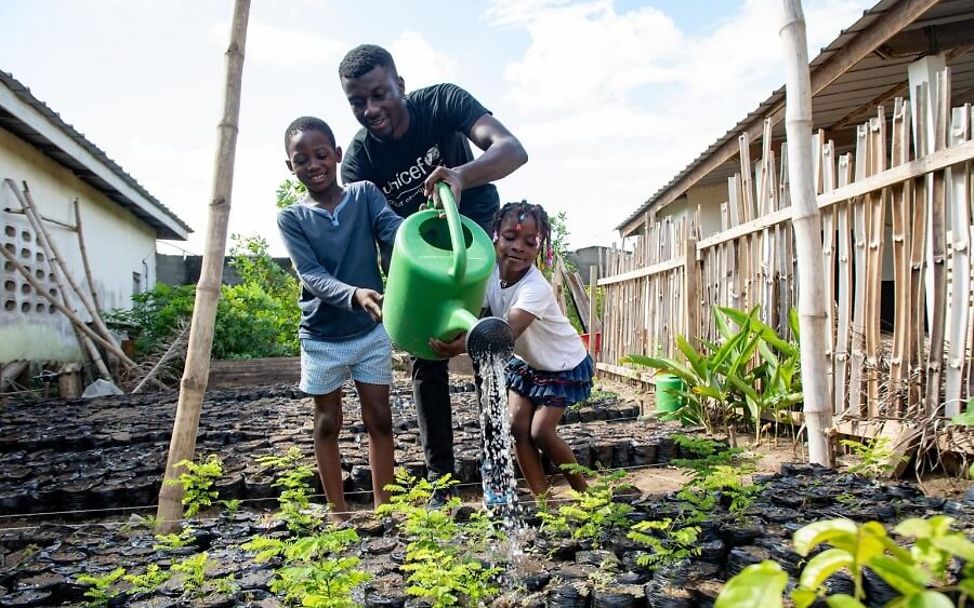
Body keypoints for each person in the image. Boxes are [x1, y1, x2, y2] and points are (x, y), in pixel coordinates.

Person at [337, 43, 528, 498]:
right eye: (357, 102)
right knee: (428, 361)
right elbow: (373, 231)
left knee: (485, 350)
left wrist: (461, 175)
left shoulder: (442, 102)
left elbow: (512, 150)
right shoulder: (358, 162)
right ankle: (440, 479)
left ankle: (496, 472)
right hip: (418, 265)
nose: (371, 109)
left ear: (400, 85)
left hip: (473, 244)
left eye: (380, 94)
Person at [277, 116, 402, 521]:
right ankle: (338, 512)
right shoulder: (292, 217)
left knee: (379, 417)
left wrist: (420, 233)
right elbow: (310, 276)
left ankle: (385, 509)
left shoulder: (364, 195)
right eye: (301, 159)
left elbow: (391, 230)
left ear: (337, 155)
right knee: (328, 421)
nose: (313, 165)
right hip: (322, 336)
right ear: (290, 167)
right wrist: (354, 294)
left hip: (369, 330)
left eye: (320, 155)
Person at [431, 201, 593, 498]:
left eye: (530, 242)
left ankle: (587, 494)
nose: (518, 247)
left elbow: (506, 333)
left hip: (562, 363)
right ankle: (543, 501)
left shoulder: (535, 288)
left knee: (541, 432)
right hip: (528, 364)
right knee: (517, 428)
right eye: (510, 238)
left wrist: (458, 347)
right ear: (495, 236)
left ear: (540, 248)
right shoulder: (488, 274)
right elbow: (474, 316)